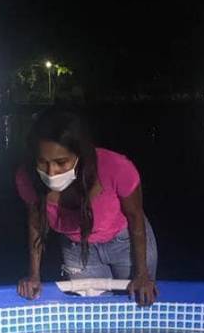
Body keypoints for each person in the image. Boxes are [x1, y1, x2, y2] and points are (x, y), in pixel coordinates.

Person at [16, 108, 158, 306]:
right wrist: (34, 275)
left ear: (80, 155)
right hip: (78, 249)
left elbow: (135, 217)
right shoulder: (28, 178)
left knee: (136, 303)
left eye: (61, 162)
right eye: (43, 162)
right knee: (95, 316)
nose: (52, 171)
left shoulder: (116, 168)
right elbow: (35, 224)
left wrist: (142, 274)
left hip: (125, 243)